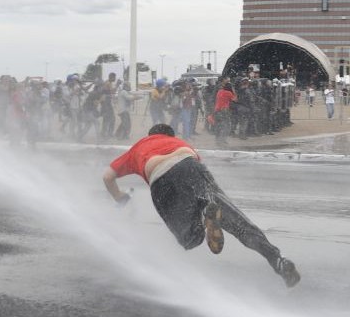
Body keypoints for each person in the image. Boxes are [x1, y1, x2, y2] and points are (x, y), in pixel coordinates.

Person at [102, 124, 301, 288]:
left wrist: (120, 197)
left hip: (160, 178)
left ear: (150, 136)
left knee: (190, 238)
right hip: (189, 164)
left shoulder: (139, 147)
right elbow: (189, 170)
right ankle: (278, 260)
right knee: (239, 225)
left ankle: (204, 220)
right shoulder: (177, 142)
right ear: (170, 135)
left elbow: (107, 177)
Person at [213, 81, 236, 145]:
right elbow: (235, 99)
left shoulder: (219, 91)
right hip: (224, 111)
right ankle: (222, 140)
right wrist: (233, 91)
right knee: (226, 126)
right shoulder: (228, 93)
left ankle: (218, 140)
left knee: (218, 126)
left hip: (217, 110)